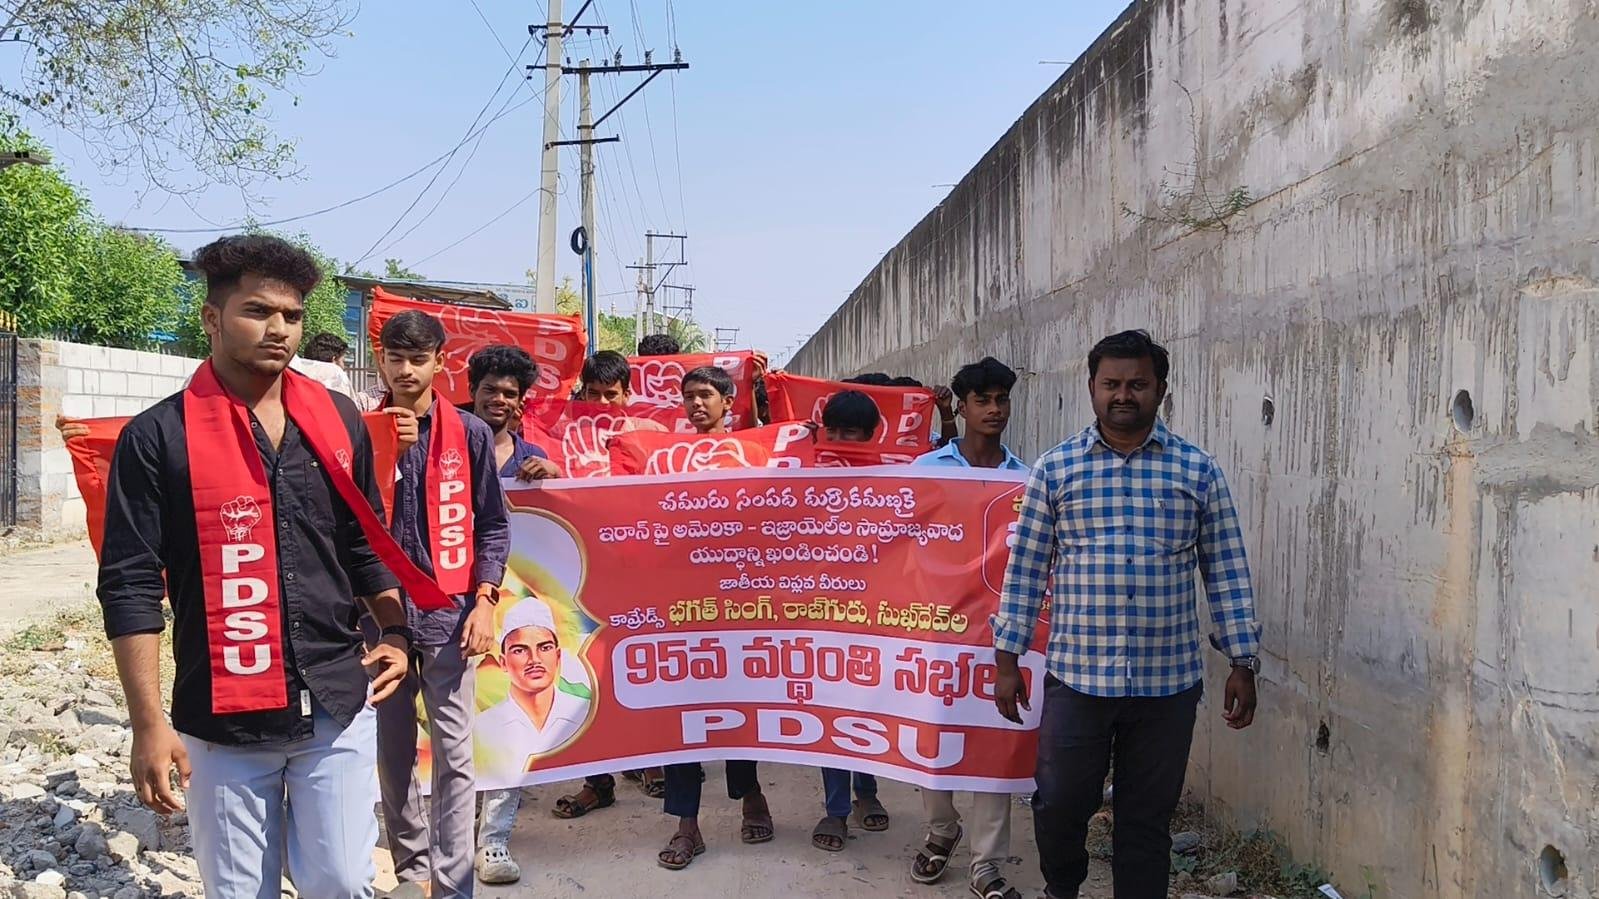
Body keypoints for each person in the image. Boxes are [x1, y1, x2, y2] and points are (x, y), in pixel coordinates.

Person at [94, 234, 416, 899]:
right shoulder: (158, 437)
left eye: (292, 315)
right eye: (258, 311)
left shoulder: (335, 418)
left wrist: (395, 631)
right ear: (211, 318)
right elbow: (129, 585)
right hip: (225, 718)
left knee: (343, 883)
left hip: (336, 699)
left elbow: (363, 543)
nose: (279, 329)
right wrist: (148, 724)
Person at [992, 330, 1261, 899]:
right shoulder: (1056, 469)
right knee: (1060, 802)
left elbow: (1226, 569)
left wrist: (1243, 660)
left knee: (1146, 819)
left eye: (1137, 384)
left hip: (1167, 684)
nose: (1123, 395)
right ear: (1092, 387)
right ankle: (1062, 887)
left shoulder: (1197, 470)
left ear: (1160, 389)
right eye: (1111, 384)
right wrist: (1007, 659)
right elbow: (1026, 569)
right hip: (1078, 677)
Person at [372, 310, 511, 899]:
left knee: (454, 754)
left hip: (450, 613)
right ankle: (412, 874)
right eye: (395, 358)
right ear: (380, 359)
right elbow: (343, 520)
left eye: (418, 359)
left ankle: (454, 885)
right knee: (394, 750)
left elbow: (493, 525)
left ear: (440, 362)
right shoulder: (360, 430)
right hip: (379, 614)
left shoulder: (470, 433)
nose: (406, 371)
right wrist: (384, 454)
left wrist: (485, 600)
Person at [908, 356, 1028, 899]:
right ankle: (941, 829)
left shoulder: (1026, 479)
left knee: (994, 739)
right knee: (932, 735)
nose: (994, 409)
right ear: (962, 406)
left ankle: (988, 864)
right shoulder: (926, 471)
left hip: (1000, 633)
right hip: (936, 627)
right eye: (983, 400)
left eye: (1002, 399)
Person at [657, 364, 774, 871]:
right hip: (680, 605)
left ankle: (750, 792)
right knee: (681, 715)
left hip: (739, 603)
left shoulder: (756, 454)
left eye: (705, 394)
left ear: (729, 402)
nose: (696, 404)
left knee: (737, 707)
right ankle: (687, 824)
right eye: (688, 396)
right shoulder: (664, 459)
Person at [807, 390, 892, 853]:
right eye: (833, 431)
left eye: (850, 432)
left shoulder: (894, 479)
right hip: (822, 614)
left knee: (868, 705)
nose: (839, 440)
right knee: (834, 709)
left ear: (871, 436)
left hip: (875, 614)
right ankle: (837, 808)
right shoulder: (803, 475)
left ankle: (867, 790)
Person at [475, 599, 591, 781]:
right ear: (503, 662)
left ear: (558, 656)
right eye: (520, 650)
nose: (534, 659)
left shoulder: (584, 713)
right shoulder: (483, 727)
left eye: (545, 648)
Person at [466, 345, 562, 480]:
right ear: (472, 390)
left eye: (509, 394)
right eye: (490, 390)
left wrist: (556, 477)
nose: (499, 399)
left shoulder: (534, 457)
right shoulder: (446, 448)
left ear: (520, 400)